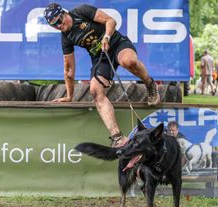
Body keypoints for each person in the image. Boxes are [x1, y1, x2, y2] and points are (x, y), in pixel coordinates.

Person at [44, 3, 160, 147]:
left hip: (117, 44)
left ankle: (150, 84)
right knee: (95, 91)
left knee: (128, 61)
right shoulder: (66, 38)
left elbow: (111, 21)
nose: (59, 26)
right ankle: (117, 137)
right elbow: (68, 70)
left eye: (59, 21)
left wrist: (106, 36)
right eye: (54, 26)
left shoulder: (81, 11)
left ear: (64, 13)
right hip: (101, 58)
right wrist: (69, 96)